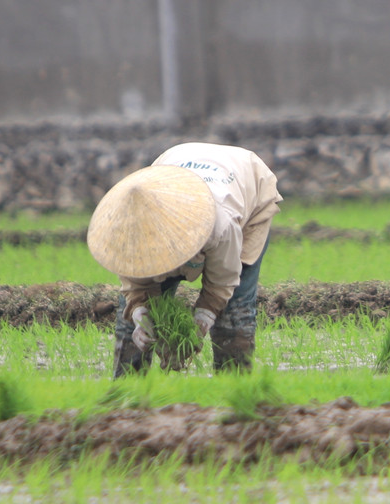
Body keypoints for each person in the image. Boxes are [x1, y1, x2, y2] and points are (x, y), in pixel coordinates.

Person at [87, 142, 281, 378]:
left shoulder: (220, 224)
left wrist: (202, 319)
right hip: (177, 161)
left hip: (247, 185)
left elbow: (223, 282)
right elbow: (136, 285)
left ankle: (235, 394)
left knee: (234, 311)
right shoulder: (131, 226)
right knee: (132, 318)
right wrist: (140, 315)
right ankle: (127, 394)